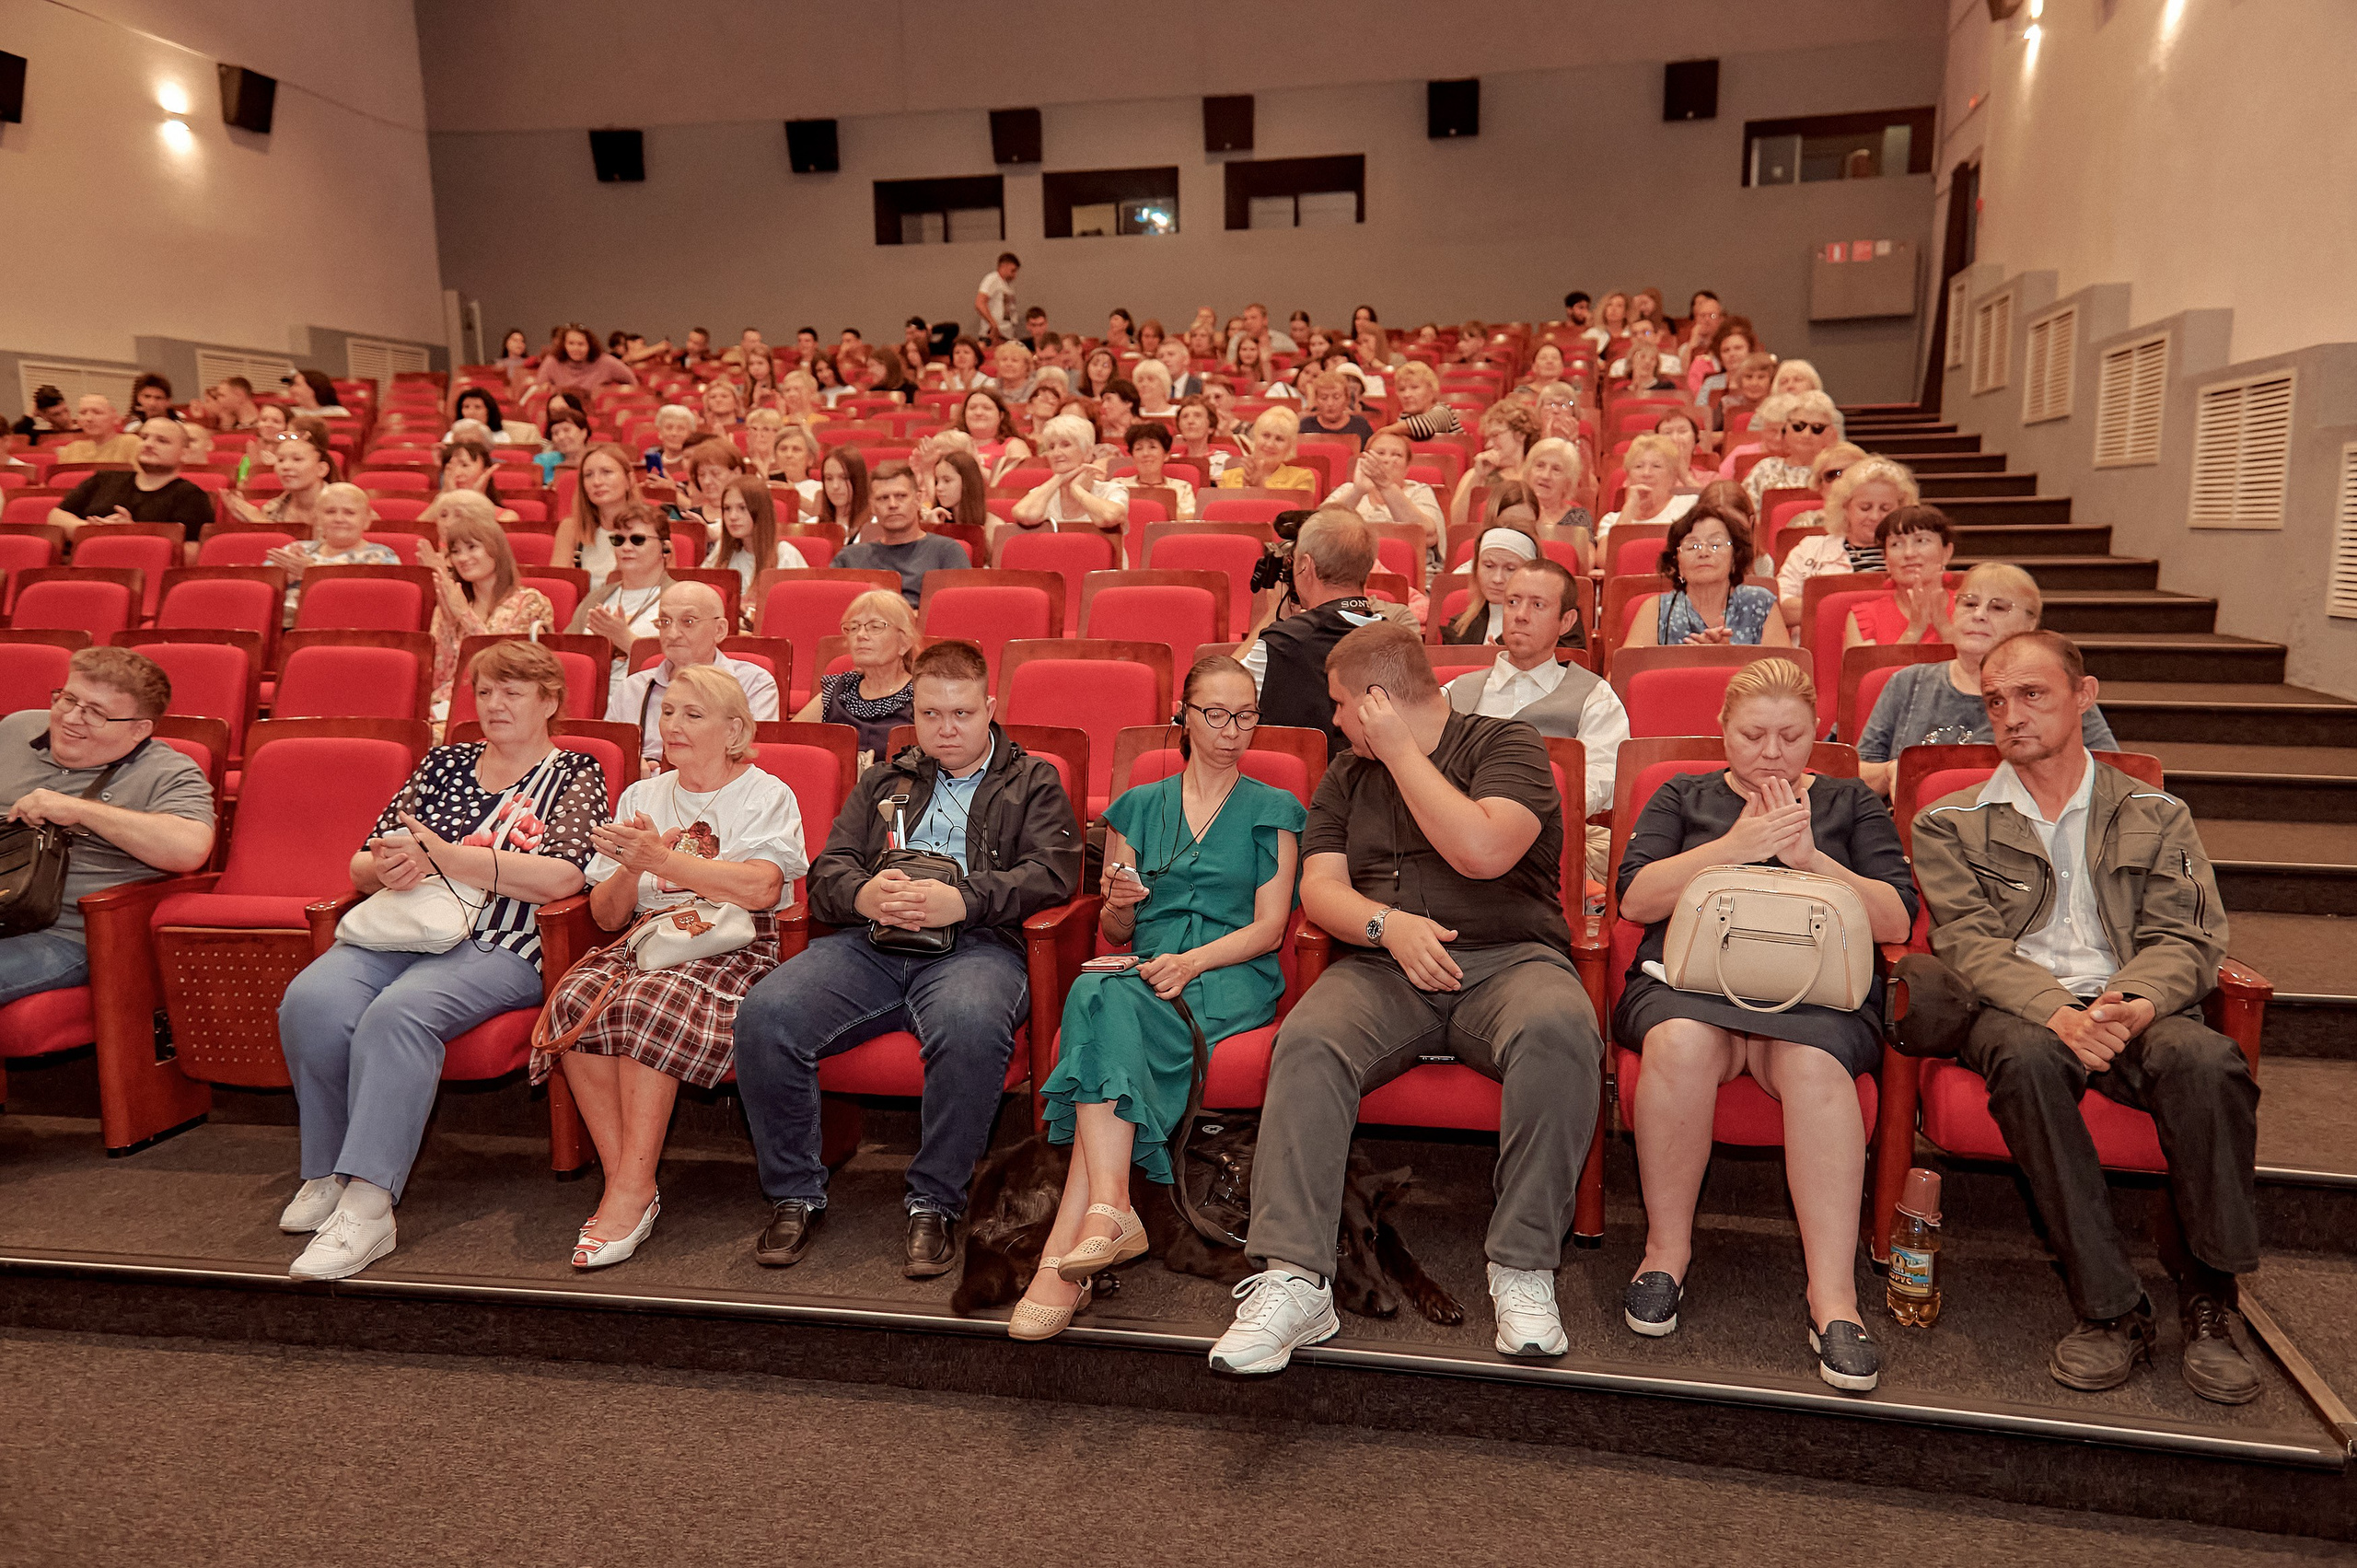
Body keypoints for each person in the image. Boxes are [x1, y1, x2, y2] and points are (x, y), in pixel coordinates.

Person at [1209, 622, 1601, 1372]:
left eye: (1343, 705)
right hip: (1384, 966)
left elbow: (1481, 849)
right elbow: (1321, 890)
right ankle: (1295, 1278)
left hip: (1509, 959)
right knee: (1310, 1038)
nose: (1335, 720)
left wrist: (1400, 751)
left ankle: (1521, 1267)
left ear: (1379, 700)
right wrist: (1388, 926)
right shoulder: (1345, 774)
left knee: (1560, 1026)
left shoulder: (1506, 745)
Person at [1895, 631, 2261, 1405]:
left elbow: (2188, 936)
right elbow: (1969, 942)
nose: (2011, 714)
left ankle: (2210, 1298)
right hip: (2017, 1009)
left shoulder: (2158, 814)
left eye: (2032, 694)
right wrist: (2059, 1011)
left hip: (2131, 1000)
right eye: (1996, 701)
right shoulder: (1951, 821)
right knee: (2025, 1062)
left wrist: (2127, 1005)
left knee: (2207, 1060)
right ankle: (2110, 1306)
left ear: (2083, 695)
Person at [1612, 656, 1916, 1391]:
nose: (1771, 752)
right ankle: (1664, 1252)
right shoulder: (1681, 793)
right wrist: (1734, 848)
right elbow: (1634, 899)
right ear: (1723, 730)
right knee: (1680, 1043)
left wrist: (1810, 858)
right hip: (1691, 985)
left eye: (1790, 734)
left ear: (1818, 731)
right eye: (1753, 735)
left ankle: (1833, 1298)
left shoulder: (1849, 803)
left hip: (1815, 997)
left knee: (1814, 1065)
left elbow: (1896, 917)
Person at [734, 641, 1082, 1274]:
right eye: (932, 714)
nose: (947, 728)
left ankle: (935, 1201)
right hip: (874, 942)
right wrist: (865, 892)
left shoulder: (1033, 780)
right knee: (767, 1011)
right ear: (914, 713)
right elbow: (830, 871)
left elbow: (1053, 876)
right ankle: (794, 1193)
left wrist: (965, 900)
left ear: (990, 708)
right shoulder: (885, 778)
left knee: (970, 1023)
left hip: (978, 945)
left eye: (962, 713)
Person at [276, 641, 607, 1280]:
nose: (495, 703)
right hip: (403, 928)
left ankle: (370, 1207)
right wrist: (390, 867)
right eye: (485, 691)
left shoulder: (575, 771)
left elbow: (563, 877)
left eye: (513, 690)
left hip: (501, 943)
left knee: (398, 1015)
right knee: (311, 1000)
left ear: (550, 701)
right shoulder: (445, 761)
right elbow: (361, 861)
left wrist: (448, 857)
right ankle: (329, 1170)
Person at [1016, 656, 1306, 1339]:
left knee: (1097, 1001)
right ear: (1184, 716)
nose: (1232, 730)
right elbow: (1116, 929)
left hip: (1229, 971)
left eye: (1246, 715)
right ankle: (1107, 1210)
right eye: (1216, 714)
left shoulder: (1275, 808)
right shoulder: (1138, 806)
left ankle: (1064, 1259)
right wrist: (1118, 905)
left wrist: (1191, 960)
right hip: (1146, 968)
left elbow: (1268, 931)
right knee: (1099, 986)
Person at [537, 663, 807, 1269]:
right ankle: (628, 1182)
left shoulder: (767, 793)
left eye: (692, 714)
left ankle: (629, 1193)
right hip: (653, 936)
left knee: (641, 1004)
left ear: (735, 729)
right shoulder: (642, 795)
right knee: (573, 999)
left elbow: (762, 889)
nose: (673, 724)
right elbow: (607, 916)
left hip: (737, 943)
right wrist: (634, 865)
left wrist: (663, 857)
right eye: (667, 712)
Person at [0, 648, 215, 1008]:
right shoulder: (16, 729)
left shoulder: (169, 771)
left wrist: (79, 810)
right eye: (67, 698)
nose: (70, 717)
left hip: (67, 934)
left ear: (138, 729)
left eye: (95, 713)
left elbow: (189, 847)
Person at [1858, 563, 2118, 796]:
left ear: (2030, 625)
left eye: (1998, 607)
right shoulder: (1907, 682)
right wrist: (1890, 771)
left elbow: (2113, 772)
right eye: (1969, 603)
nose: (1979, 614)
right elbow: (1856, 775)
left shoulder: (2056, 691)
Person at [1443, 558, 1625, 879]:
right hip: (1456, 842)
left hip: (1553, 847)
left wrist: (1516, 812)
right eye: (1512, 602)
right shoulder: (1456, 692)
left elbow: (1601, 781)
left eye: (1538, 605)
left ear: (1565, 621)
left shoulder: (1595, 696)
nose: (1521, 615)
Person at [1240, 511, 1387, 758]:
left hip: (1296, 791)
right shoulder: (1400, 642)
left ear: (1305, 566)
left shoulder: (1281, 645)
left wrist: (1271, 617)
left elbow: (1213, 696)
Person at [605, 581, 780, 761]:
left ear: (719, 630)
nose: (672, 634)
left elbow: (750, 759)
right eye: (665, 622)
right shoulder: (632, 689)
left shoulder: (753, 684)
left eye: (688, 622)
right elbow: (609, 759)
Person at [416, 498, 555, 714]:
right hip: (446, 706)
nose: (463, 558)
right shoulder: (451, 601)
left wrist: (464, 614)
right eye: (455, 551)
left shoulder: (529, 602)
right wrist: (447, 621)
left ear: (496, 549)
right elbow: (439, 678)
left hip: (504, 705)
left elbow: (505, 666)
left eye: (472, 547)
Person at [1775, 456, 1919, 630]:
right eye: (1865, 507)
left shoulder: (1917, 554)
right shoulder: (1810, 549)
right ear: (1845, 507)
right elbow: (1778, 608)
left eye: (1885, 509)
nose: (1875, 517)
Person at [1624, 505, 1792, 649]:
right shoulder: (1657, 610)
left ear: (1734, 558)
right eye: (1692, 546)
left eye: (1715, 544)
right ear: (1677, 563)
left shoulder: (1760, 604)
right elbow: (1623, 681)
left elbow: (1787, 677)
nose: (1703, 553)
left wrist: (1729, 656)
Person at [45, 417, 215, 549]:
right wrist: (90, 529)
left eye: (162, 440)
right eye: (144, 437)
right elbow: (56, 516)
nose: (148, 444)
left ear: (184, 453)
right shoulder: (104, 478)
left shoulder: (191, 496)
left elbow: (191, 554)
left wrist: (132, 533)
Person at [793, 588, 917, 765]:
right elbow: (787, 742)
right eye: (853, 627)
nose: (860, 635)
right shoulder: (837, 690)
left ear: (904, 643)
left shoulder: (922, 695)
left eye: (875, 627)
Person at [265, 482, 401, 628]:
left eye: (349, 513)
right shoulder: (295, 550)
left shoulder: (382, 556)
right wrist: (282, 578)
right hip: (284, 631)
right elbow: (259, 594)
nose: (339, 519)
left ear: (367, 520)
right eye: (330, 512)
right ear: (317, 518)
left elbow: (377, 605)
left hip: (348, 633)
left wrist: (312, 573)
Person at [834, 460, 970, 606]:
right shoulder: (849, 559)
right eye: (883, 498)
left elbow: (960, 613)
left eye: (901, 496)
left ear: (918, 499)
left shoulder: (947, 553)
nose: (893, 505)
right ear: (872, 506)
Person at [567, 504, 674, 678]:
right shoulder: (596, 598)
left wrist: (625, 639)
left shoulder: (682, 598)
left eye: (637, 539)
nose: (626, 547)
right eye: (619, 540)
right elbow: (566, 654)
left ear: (665, 549)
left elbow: (688, 665)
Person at [1009, 412, 1129, 552]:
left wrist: (1077, 490)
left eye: (1065, 445)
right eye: (1052, 447)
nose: (1057, 453)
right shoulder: (1041, 495)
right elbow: (1024, 514)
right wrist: (1058, 479)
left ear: (1088, 452)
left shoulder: (1112, 490)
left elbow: (1109, 517)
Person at [1842, 505, 1957, 648]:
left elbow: (1984, 669)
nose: (1909, 553)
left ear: (1947, 552)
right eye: (1896, 544)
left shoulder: (1973, 609)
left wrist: (1944, 627)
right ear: (1886, 559)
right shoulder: (1865, 617)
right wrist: (1913, 631)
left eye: (1921, 541)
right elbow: (1865, 671)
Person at [1324, 430, 1444, 563]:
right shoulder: (1349, 489)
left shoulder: (1419, 491)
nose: (1386, 460)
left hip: (1408, 570)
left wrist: (1386, 486)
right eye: (1380, 453)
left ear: (1407, 467)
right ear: (1365, 460)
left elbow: (1427, 534)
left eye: (1397, 455)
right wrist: (1357, 491)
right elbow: (1316, 528)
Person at [1442, 520, 1543, 646]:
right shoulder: (1459, 629)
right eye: (1489, 566)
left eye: (1510, 569)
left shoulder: (1554, 628)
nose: (1497, 579)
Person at [1447, 401, 1540, 532]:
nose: (1488, 445)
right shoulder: (1474, 475)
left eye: (1495, 436)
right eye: (1487, 438)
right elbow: (1456, 524)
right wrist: (1478, 477)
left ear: (1520, 434)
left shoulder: (1538, 475)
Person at [556, 443, 644, 580]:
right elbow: (558, 589)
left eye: (607, 472)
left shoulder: (651, 529)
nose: (596, 482)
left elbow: (665, 591)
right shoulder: (571, 528)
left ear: (629, 480)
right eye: (588, 475)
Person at [1747, 391, 1842, 511]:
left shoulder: (1838, 472)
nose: (1806, 434)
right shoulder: (1764, 469)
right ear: (1786, 429)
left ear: (1831, 434)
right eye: (1798, 426)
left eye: (1817, 428)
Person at [1598, 432, 1698, 543]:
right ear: (1628, 477)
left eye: (1656, 466)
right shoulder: (1612, 520)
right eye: (1638, 466)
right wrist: (1630, 507)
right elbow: (1605, 558)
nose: (1646, 473)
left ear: (1673, 477)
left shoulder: (1691, 507)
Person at [1521, 436, 1595, 564]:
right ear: (1528, 472)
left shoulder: (1577, 517)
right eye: (1540, 465)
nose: (1546, 476)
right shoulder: (1511, 510)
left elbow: (1586, 563)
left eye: (1556, 469)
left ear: (1568, 482)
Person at [420, 436, 520, 528]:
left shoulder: (507, 516)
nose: (457, 473)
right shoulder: (440, 514)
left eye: (464, 465)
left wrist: (476, 499)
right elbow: (419, 532)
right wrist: (445, 493)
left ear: (485, 471)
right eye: (450, 467)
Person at [1218, 406, 1318, 494]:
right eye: (1266, 435)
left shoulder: (1302, 478)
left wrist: (1259, 487)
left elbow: (1291, 513)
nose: (1270, 444)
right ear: (1255, 437)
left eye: (1279, 439)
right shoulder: (1228, 477)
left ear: (1290, 446)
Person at [531, 324, 638, 396]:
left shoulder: (605, 361)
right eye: (571, 344)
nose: (576, 348)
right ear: (564, 345)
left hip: (596, 413)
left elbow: (632, 381)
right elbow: (539, 389)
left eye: (581, 344)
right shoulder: (552, 361)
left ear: (589, 345)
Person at [1374, 360, 1464, 443]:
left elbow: (1426, 425)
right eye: (1402, 389)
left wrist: (1383, 432)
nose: (1406, 395)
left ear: (1431, 390)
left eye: (1414, 387)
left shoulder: (1443, 411)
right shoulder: (1403, 418)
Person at [1120, 422, 1195, 520]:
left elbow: (1190, 520)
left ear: (1166, 455)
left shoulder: (1182, 488)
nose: (1146, 454)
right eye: (1139, 448)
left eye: (1152, 447)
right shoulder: (1119, 485)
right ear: (1132, 457)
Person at [55, 395, 142, 464]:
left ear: (115, 418)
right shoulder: (71, 450)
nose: (89, 418)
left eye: (97, 412)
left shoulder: (131, 444)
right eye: (83, 413)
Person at [813, 446, 870, 537]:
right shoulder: (812, 526)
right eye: (829, 478)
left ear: (859, 480)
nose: (835, 486)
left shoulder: (876, 528)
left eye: (844, 478)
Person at [1305, 372, 1374, 443]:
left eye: (1336, 397)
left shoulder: (1360, 425)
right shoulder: (1305, 425)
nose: (1330, 403)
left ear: (1347, 399)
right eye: (1324, 398)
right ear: (1316, 400)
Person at [976, 252, 1021, 342]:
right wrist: (993, 324)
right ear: (1003, 266)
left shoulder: (1007, 285)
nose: (1014, 275)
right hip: (993, 336)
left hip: (1005, 335)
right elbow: (979, 303)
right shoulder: (992, 279)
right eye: (1012, 270)